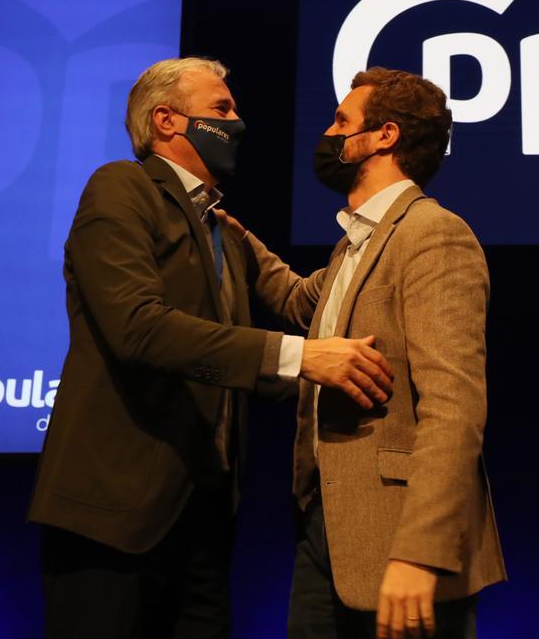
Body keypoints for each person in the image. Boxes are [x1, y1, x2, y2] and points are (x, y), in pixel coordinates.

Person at [27, 57, 395, 639]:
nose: (238, 121)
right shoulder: (122, 187)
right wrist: (303, 358)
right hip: (114, 517)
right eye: (221, 110)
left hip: (201, 523)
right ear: (167, 121)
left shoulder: (223, 228)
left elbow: (304, 301)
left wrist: (377, 218)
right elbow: (138, 328)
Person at [217, 67, 506, 639]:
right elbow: (302, 299)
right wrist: (229, 231)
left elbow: (455, 407)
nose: (329, 134)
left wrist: (421, 553)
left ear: (384, 137)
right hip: (328, 530)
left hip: (400, 540)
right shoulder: (359, 240)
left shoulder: (432, 234)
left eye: (341, 123)